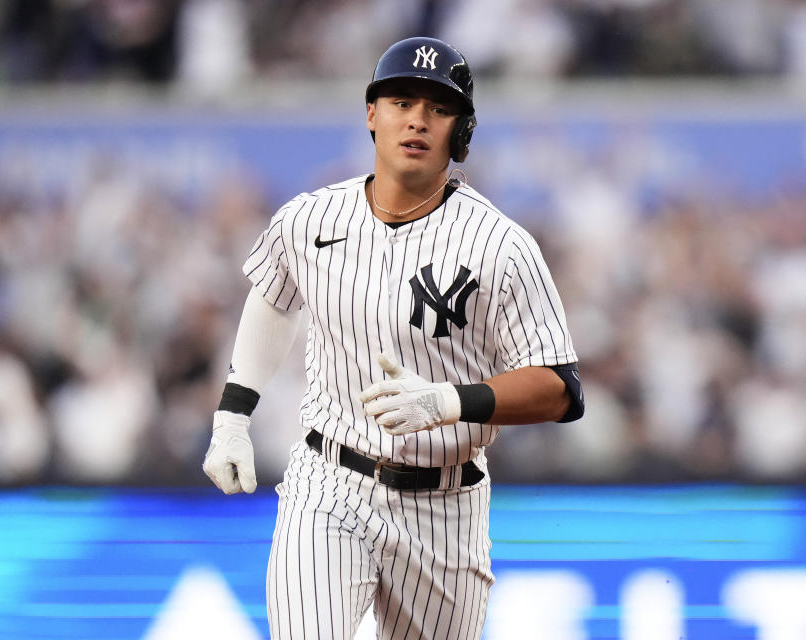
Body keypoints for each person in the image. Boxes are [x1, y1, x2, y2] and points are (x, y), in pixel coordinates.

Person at [202, 36, 584, 640]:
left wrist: (448, 400)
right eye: (402, 100)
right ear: (372, 114)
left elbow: (561, 388)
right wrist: (232, 417)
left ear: (462, 132)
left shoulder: (500, 244)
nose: (417, 119)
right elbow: (275, 298)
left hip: (445, 501)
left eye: (438, 108)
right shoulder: (310, 218)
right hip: (329, 481)